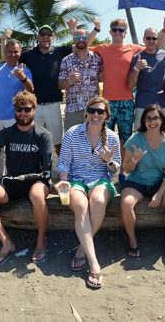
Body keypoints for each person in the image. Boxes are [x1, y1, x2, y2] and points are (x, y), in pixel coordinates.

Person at [0, 91, 55, 267]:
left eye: (27, 109)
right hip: (13, 181)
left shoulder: (43, 135)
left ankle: (41, 241)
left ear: (34, 110)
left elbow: (47, 169)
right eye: (19, 109)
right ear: (14, 110)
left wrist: (43, 177)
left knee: (37, 195)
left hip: (36, 180)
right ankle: (7, 243)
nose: (22, 113)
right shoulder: (8, 132)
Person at [56, 97, 121, 289]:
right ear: (86, 112)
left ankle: (82, 249)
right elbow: (64, 162)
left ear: (106, 116)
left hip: (100, 179)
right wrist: (64, 180)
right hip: (75, 178)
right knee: (82, 205)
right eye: (92, 110)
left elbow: (114, 170)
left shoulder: (112, 137)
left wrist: (109, 161)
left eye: (100, 112)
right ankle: (94, 263)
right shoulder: (72, 133)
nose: (96, 115)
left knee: (99, 201)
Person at [90, 17, 165, 150]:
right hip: (107, 102)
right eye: (114, 30)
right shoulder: (102, 48)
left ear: (125, 33)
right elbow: (82, 47)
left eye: (121, 30)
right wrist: (96, 29)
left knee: (126, 138)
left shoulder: (133, 49)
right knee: (103, 136)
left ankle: (123, 168)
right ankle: (104, 167)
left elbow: (154, 46)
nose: (117, 32)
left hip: (127, 101)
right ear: (110, 32)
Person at [120, 105, 165, 259]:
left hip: (159, 181)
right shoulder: (135, 139)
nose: (152, 122)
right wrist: (134, 159)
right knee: (126, 204)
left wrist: (159, 194)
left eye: (156, 118)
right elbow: (126, 169)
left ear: (161, 120)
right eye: (148, 118)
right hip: (136, 181)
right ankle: (132, 240)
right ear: (143, 120)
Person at [19, 20, 81, 153]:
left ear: (52, 37)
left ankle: (61, 170)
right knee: (35, 141)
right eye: (42, 34)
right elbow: (9, 57)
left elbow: (79, 46)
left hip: (54, 105)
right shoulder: (29, 54)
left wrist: (73, 29)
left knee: (58, 142)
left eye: (49, 34)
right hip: (34, 106)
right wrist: (3, 41)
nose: (45, 37)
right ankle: (38, 170)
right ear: (38, 37)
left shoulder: (59, 51)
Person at [0, 34, 34, 180]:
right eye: (10, 51)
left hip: (15, 117)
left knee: (15, 149)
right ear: (5, 53)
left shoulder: (25, 69)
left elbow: (31, 90)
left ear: (20, 53)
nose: (13, 54)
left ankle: (14, 177)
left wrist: (22, 77)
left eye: (16, 51)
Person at [128, 26, 165, 131]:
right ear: (143, 39)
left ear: (157, 40)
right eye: (148, 38)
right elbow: (130, 85)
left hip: (163, 103)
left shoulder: (163, 55)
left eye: (154, 38)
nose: (151, 41)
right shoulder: (137, 58)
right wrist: (136, 68)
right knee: (140, 138)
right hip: (143, 104)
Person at [58, 28, 103, 131]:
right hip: (73, 109)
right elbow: (60, 85)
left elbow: (102, 77)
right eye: (78, 37)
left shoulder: (97, 58)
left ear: (88, 39)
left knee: (94, 141)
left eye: (84, 37)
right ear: (74, 39)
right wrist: (70, 80)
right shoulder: (66, 60)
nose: (81, 40)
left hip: (93, 109)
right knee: (72, 142)